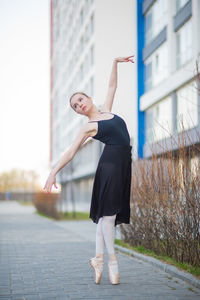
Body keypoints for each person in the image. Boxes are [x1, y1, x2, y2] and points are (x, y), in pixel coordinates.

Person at [43, 55, 134, 285]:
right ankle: (112, 261)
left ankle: (98, 259)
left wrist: (114, 62)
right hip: (110, 166)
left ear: (89, 98)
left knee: (105, 217)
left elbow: (112, 85)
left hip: (123, 165)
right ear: (79, 113)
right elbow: (71, 152)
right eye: (76, 106)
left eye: (81, 100)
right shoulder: (88, 127)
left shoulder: (107, 110)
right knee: (109, 216)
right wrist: (54, 172)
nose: (80, 104)